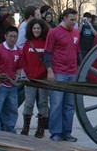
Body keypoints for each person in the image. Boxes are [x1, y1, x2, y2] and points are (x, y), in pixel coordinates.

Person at [44, 8, 81, 142]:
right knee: (56, 104)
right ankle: (55, 133)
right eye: (71, 19)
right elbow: (47, 53)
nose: (73, 22)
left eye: (75, 19)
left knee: (69, 105)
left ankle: (66, 132)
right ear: (64, 18)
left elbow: (78, 53)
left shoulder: (76, 33)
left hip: (72, 72)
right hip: (59, 72)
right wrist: (50, 71)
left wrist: (80, 70)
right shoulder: (53, 33)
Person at [0, 26, 24, 132]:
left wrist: (16, 79)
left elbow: (18, 68)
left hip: (12, 86)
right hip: (0, 85)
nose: (13, 39)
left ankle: (10, 130)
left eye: (15, 37)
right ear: (5, 36)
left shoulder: (19, 52)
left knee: (12, 110)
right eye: (10, 36)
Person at [21, 19, 50, 137]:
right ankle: (26, 127)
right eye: (34, 28)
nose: (36, 30)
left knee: (43, 103)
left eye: (38, 28)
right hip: (30, 78)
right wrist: (28, 72)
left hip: (43, 78)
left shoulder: (46, 43)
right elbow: (23, 59)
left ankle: (41, 128)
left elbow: (48, 59)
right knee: (28, 103)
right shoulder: (28, 43)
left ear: (42, 29)